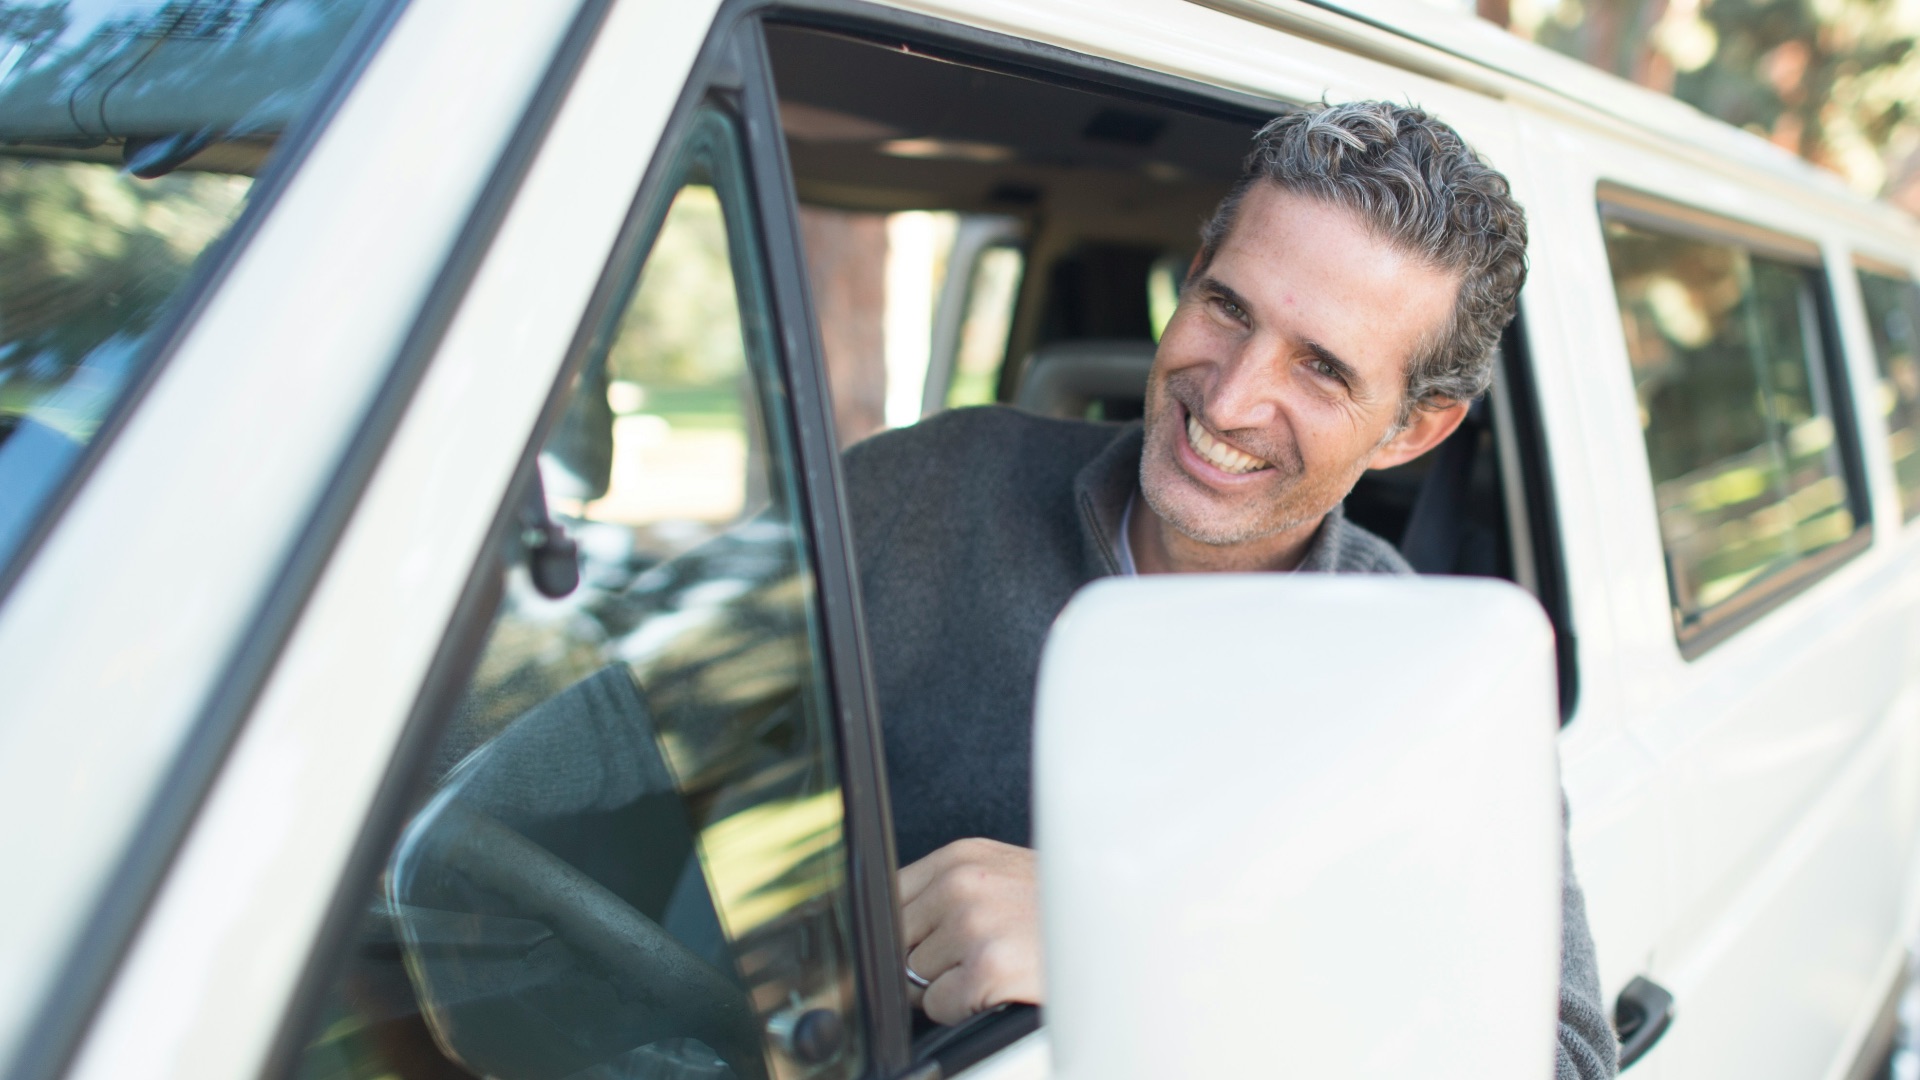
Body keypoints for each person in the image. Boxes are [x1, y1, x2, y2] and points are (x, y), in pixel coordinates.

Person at [841, 100, 1618, 1079]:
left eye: (1323, 369)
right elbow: (630, 747)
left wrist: (1140, 950)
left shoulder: (1434, 688)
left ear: (1412, 432)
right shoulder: (927, 485)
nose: (1232, 396)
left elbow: (1567, 1058)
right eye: (1228, 307)